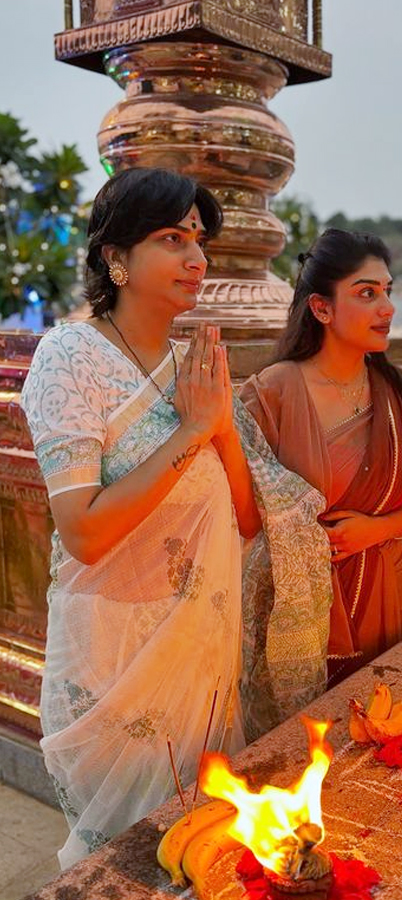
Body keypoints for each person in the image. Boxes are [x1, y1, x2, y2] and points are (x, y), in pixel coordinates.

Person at [20, 167, 261, 868]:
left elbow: (244, 519)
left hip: (201, 652)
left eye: (198, 238)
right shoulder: (70, 358)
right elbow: (85, 532)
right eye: (170, 237)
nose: (197, 257)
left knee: (200, 851)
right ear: (115, 259)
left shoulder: (196, 365)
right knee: (124, 864)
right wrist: (191, 433)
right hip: (115, 660)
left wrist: (217, 425)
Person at [239, 229, 402, 692]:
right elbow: (243, 514)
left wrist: (376, 529)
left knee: (380, 730)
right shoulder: (274, 392)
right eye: (366, 293)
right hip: (297, 609)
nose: (386, 308)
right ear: (321, 308)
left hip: (383, 594)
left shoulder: (395, 395)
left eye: (388, 292)